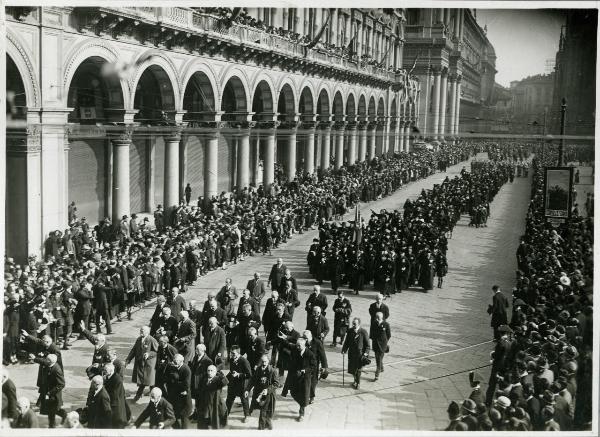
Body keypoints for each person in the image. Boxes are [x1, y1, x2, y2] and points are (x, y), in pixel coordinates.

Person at [125, 326, 159, 402]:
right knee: (143, 381)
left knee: (149, 381)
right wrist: (128, 360)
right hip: (140, 364)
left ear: (147, 332)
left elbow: (157, 351)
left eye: (142, 330)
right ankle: (142, 395)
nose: (141, 331)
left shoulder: (152, 340)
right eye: (140, 330)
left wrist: (149, 354)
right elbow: (133, 350)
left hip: (148, 365)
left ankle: (152, 397)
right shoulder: (139, 339)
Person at [247, 354, 279, 430]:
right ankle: (268, 426)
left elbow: (276, 384)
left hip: (268, 395)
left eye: (265, 362)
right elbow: (252, 380)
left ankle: (261, 428)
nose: (263, 363)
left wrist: (268, 390)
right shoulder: (258, 370)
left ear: (268, 361)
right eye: (262, 362)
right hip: (259, 393)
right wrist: (247, 389)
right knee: (264, 411)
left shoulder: (273, 371)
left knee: (263, 411)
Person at [288, 337, 315, 421]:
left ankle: (301, 413)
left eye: (299, 346)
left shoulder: (310, 354)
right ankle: (302, 404)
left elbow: (313, 366)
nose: (297, 347)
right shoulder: (296, 351)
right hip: (296, 376)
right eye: (297, 345)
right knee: (293, 392)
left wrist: (305, 370)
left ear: (304, 345)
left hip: (305, 378)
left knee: (303, 395)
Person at [35, 353, 65, 428]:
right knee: (53, 410)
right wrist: (34, 358)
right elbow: (42, 361)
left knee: (51, 411)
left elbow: (61, 384)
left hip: (53, 395)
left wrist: (50, 392)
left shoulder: (57, 370)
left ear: (50, 362)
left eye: (47, 360)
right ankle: (64, 416)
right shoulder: (49, 364)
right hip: (47, 392)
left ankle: (52, 426)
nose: (45, 360)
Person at [196, 365, 229, 429]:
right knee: (204, 423)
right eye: (208, 370)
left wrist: (221, 375)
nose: (209, 372)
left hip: (215, 404)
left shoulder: (217, 380)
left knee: (215, 423)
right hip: (205, 404)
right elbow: (200, 391)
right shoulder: (204, 380)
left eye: (212, 371)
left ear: (215, 372)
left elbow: (226, 382)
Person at [225, 346, 252, 422]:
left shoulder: (244, 361)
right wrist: (225, 379)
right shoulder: (231, 360)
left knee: (244, 400)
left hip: (242, 385)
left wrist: (239, 374)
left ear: (238, 353)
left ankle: (247, 415)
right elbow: (231, 372)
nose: (231, 355)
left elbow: (249, 375)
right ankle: (225, 414)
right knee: (229, 399)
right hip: (233, 384)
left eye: (233, 353)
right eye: (230, 353)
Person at [341, 317, 370, 389]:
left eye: (355, 324)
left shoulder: (363, 332)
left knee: (358, 369)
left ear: (359, 324)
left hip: (360, 354)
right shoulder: (350, 331)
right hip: (352, 353)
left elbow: (368, 345)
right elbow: (347, 342)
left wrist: (365, 353)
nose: (353, 325)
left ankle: (358, 383)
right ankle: (355, 380)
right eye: (353, 323)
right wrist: (344, 349)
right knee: (353, 369)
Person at [166, 354, 192, 429]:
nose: (174, 362)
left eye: (176, 361)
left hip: (184, 397)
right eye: (173, 360)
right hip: (175, 396)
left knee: (184, 417)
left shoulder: (186, 369)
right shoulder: (173, 367)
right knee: (174, 416)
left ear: (181, 361)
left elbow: (186, 384)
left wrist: (175, 381)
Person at [103, 362, 128, 429]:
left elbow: (114, 394)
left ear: (111, 371)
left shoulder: (117, 379)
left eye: (105, 370)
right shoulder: (109, 377)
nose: (104, 372)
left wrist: (103, 393)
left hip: (115, 407)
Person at [370, 311, 391, 381]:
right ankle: (381, 368)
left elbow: (389, 335)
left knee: (378, 359)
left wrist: (384, 342)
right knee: (378, 358)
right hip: (376, 344)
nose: (376, 319)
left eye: (378, 318)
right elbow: (372, 333)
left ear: (381, 317)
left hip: (382, 345)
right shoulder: (374, 323)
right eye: (376, 317)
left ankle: (377, 375)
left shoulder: (386, 324)